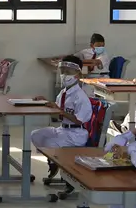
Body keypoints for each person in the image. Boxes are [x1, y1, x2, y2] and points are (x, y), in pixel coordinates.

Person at [30, 56, 93, 186]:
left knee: (50, 143)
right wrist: (46, 101)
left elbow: (79, 121)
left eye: (68, 72)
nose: (64, 75)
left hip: (76, 134)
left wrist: (61, 111)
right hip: (63, 129)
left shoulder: (81, 97)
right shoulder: (64, 92)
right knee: (35, 135)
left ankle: (67, 174)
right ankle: (54, 163)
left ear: (78, 75)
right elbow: (59, 107)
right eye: (62, 71)